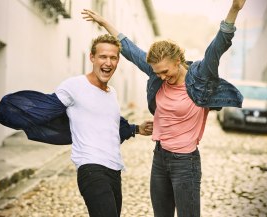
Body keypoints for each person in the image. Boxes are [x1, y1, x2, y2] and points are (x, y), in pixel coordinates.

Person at [82, 0, 245, 216]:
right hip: (160, 157)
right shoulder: (156, 74)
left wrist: (234, 9)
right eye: (157, 72)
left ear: (178, 61)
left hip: (186, 162)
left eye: (165, 71)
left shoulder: (201, 76)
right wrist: (104, 22)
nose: (162, 77)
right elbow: (129, 49)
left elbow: (219, 44)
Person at [0, 34, 153, 217]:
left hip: (114, 170)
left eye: (113, 57)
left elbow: (112, 126)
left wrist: (137, 129)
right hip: (91, 169)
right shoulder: (74, 86)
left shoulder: (111, 93)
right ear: (92, 58)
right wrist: (2, 112)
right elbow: (42, 108)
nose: (108, 62)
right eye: (103, 56)